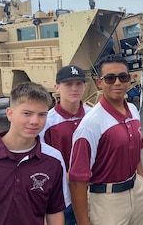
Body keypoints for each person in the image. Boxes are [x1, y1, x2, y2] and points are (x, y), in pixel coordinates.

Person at [0, 82, 69, 225]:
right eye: (27, 113)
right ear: (10, 114)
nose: (34, 121)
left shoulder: (54, 160)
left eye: (42, 114)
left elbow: (54, 211)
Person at [68, 54, 143, 225]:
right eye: (110, 78)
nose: (118, 83)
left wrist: (141, 182)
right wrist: (83, 222)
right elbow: (77, 180)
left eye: (123, 77)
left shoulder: (133, 111)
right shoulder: (90, 124)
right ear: (100, 82)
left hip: (136, 190)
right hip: (107, 201)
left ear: (130, 79)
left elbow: (137, 152)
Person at [40, 65, 91, 225]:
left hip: (93, 192)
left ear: (85, 86)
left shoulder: (92, 116)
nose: (74, 89)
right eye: (68, 84)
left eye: (79, 84)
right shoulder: (46, 122)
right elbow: (40, 160)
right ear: (57, 87)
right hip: (63, 196)